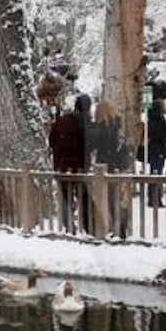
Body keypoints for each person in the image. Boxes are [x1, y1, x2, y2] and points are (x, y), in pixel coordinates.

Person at [90, 99, 132, 238]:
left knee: (109, 199)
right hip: (117, 166)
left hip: (106, 166)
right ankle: (121, 224)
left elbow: (92, 143)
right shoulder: (117, 127)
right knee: (115, 198)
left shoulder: (103, 130)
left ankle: (117, 227)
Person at [48, 96, 88, 233]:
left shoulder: (60, 122)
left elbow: (51, 141)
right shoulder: (84, 123)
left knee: (65, 197)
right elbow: (87, 144)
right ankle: (87, 225)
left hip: (61, 166)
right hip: (79, 167)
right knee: (83, 196)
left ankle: (68, 225)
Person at [145, 97, 166, 207]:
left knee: (154, 172)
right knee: (157, 173)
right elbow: (162, 135)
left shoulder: (150, 119)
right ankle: (156, 197)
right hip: (158, 149)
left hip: (153, 149)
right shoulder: (159, 120)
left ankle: (153, 197)